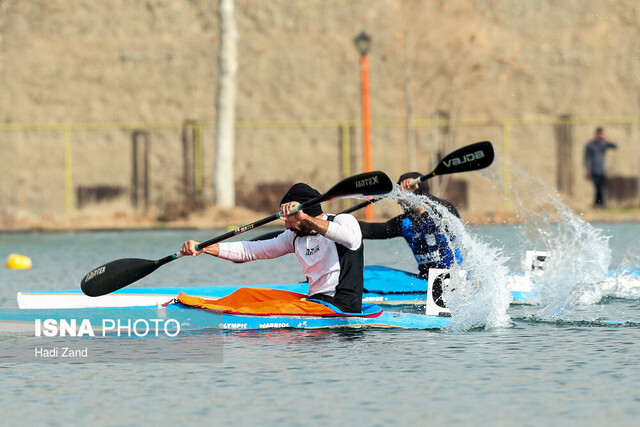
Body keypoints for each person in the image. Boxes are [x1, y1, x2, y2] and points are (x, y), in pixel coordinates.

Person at [180, 183, 365, 313]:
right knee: (245, 294)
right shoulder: (294, 237)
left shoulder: (343, 221)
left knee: (269, 308)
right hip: (315, 304)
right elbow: (250, 250)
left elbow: (349, 238)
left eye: (289, 219)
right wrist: (204, 247)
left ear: (303, 213)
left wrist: (304, 218)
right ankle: (202, 308)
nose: (286, 226)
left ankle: (217, 315)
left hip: (341, 307)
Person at [358, 172, 462, 281]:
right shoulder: (404, 223)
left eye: (400, 196)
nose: (398, 202)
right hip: (426, 282)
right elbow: (368, 230)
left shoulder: (442, 216)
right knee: (369, 274)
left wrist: (418, 193)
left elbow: (449, 210)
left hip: (456, 281)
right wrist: (340, 221)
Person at [583, 127, 617, 207]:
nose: (600, 136)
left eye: (602, 134)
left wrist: (607, 139)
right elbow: (586, 158)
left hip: (601, 169)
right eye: (599, 134)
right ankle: (598, 203)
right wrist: (587, 170)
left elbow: (614, 146)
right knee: (597, 187)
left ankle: (600, 204)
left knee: (601, 187)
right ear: (596, 134)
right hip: (593, 169)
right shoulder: (590, 145)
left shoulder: (604, 143)